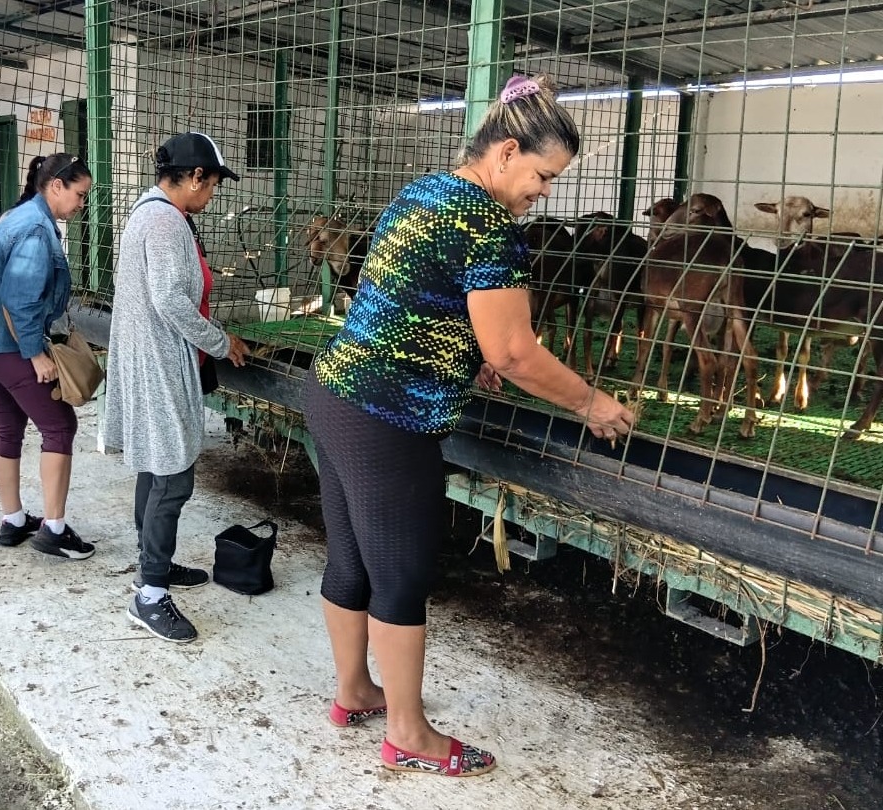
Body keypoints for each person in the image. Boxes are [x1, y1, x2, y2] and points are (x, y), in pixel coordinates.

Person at [303, 75, 636, 777]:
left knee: (351, 561)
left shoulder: (423, 190)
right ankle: (407, 734)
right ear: (508, 151)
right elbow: (515, 353)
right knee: (402, 574)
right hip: (387, 416)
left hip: (333, 393)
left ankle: (354, 692)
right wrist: (591, 403)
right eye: (543, 176)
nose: (543, 192)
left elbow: (407, 297)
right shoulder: (487, 225)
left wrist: (461, 352)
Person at [104, 132, 250, 643]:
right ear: (193, 178)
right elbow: (169, 298)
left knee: (155, 462)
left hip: (153, 356)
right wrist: (218, 341)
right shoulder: (165, 221)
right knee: (173, 475)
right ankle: (149, 595)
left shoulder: (152, 213)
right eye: (210, 185)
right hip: (161, 361)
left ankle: (154, 565)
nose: (211, 196)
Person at [0, 153, 96, 560]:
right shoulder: (37, 229)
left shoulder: (16, 217)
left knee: (8, 430)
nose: (81, 204)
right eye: (79, 194)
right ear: (56, 186)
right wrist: (35, 353)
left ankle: (14, 520)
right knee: (60, 425)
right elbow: (19, 299)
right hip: (11, 346)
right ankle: (54, 530)